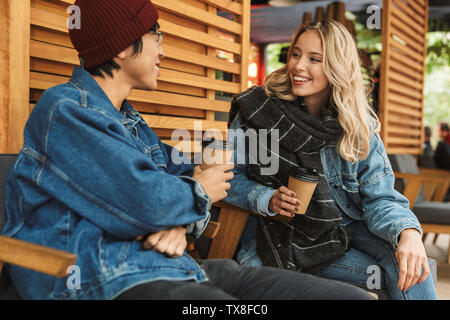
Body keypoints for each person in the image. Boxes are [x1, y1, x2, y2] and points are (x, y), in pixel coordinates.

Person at [1, 0, 373, 300]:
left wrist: (180, 218)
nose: (163, 52)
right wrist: (194, 195)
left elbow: (194, 172)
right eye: (155, 37)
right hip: (109, 279)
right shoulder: (66, 112)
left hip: (178, 267)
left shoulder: (133, 124)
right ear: (120, 49)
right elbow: (149, 199)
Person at [224, 20, 437, 300]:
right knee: (404, 274)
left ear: (337, 67)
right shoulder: (257, 109)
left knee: (414, 264)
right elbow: (228, 177)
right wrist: (266, 198)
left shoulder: (355, 125)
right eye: (296, 54)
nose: (299, 66)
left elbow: (380, 198)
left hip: (343, 231)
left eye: (315, 59)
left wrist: (408, 231)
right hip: (278, 237)